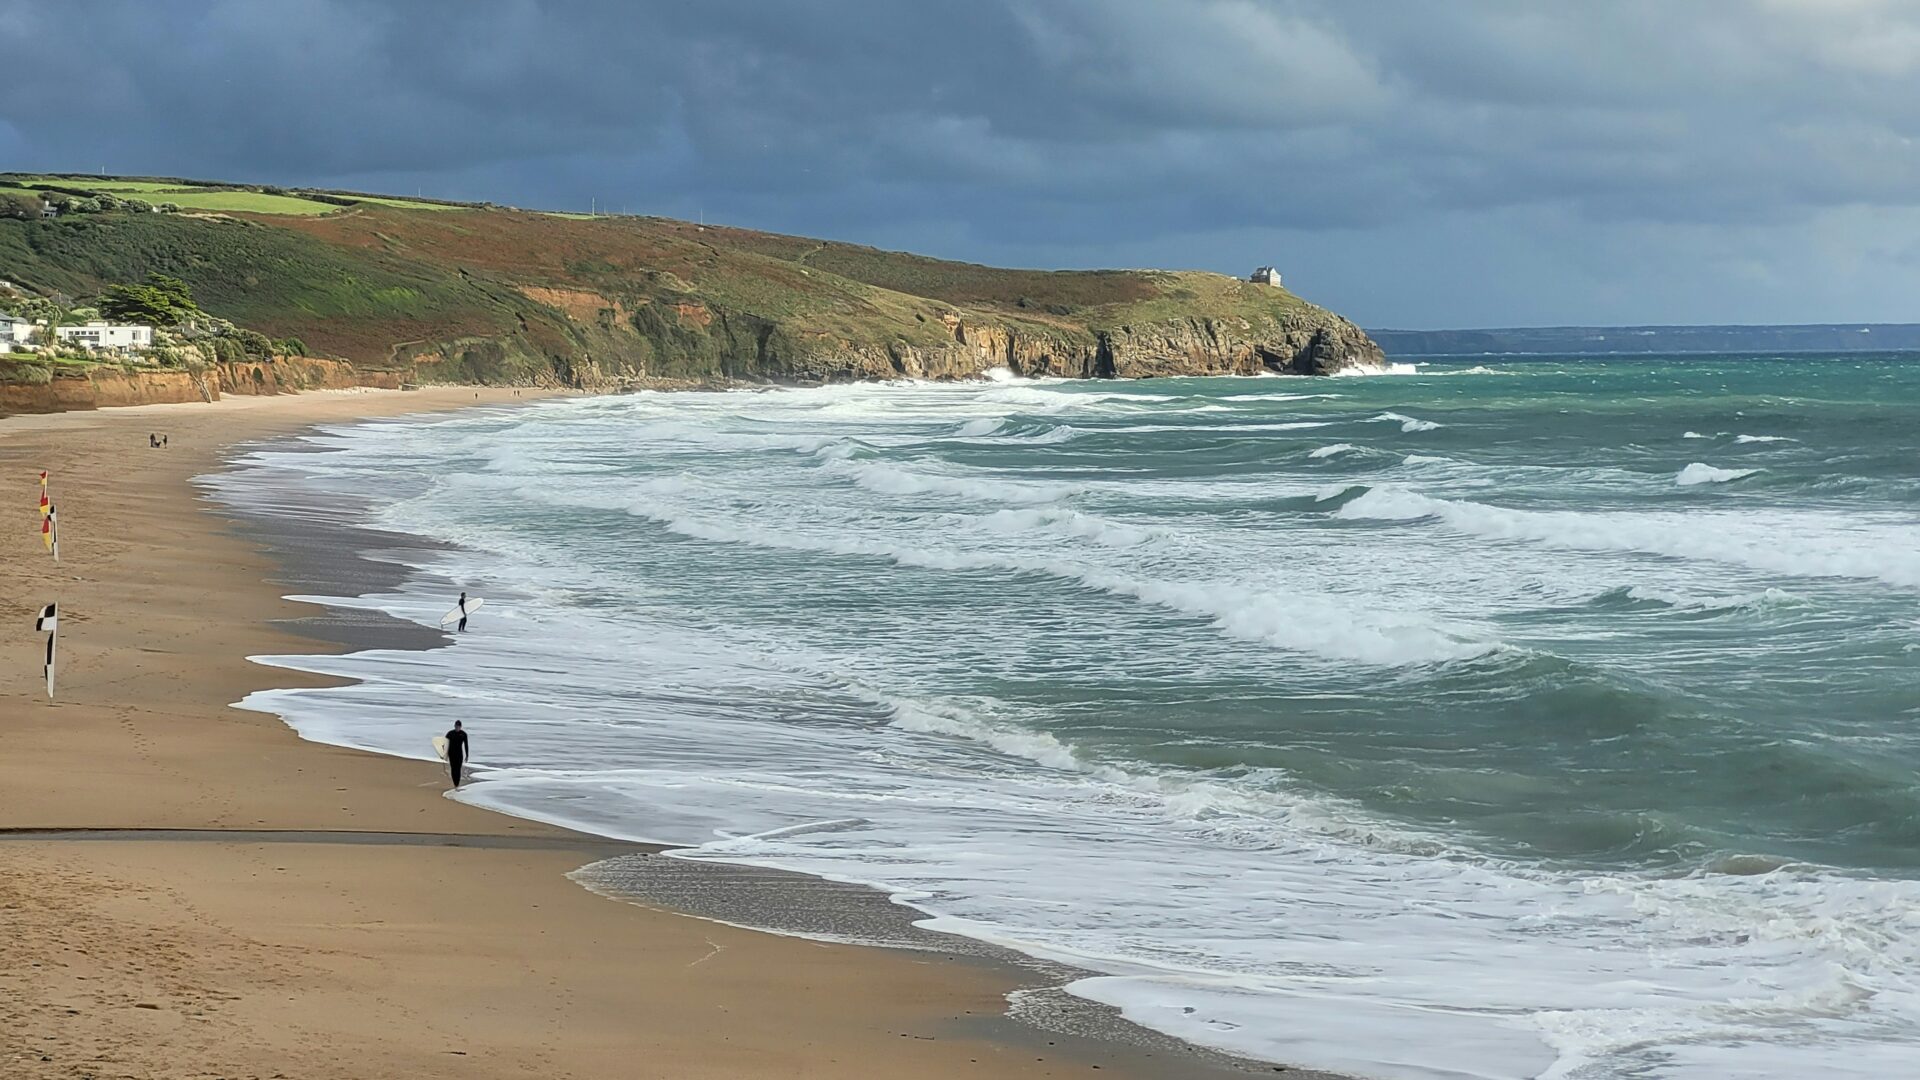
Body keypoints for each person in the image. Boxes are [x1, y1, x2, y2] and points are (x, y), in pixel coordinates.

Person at [445, 720, 469, 787]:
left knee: (458, 769)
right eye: (456, 726)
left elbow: (466, 745)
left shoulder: (463, 734)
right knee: (453, 769)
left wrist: (467, 755)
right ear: (454, 726)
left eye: (458, 727)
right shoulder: (450, 733)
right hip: (451, 754)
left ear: (460, 727)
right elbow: (445, 744)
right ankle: (455, 783)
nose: (457, 728)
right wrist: (444, 754)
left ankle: (457, 784)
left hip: (459, 754)